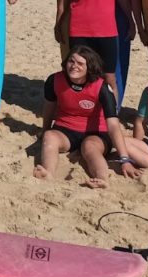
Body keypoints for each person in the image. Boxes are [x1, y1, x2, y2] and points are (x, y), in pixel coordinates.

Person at [33, 45, 138, 186]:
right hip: (65, 130)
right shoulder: (54, 80)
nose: (74, 66)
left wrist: (124, 159)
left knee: (90, 147)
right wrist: (45, 129)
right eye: (71, 61)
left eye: (80, 63)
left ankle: (102, 179)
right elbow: (49, 108)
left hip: (97, 132)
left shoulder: (101, 87)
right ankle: (48, 173)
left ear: (89, 67)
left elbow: (113, 125)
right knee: (49, 137)